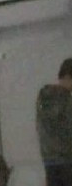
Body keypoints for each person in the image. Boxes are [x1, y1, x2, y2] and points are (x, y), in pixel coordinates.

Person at [36, 58, 72, 186]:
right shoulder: (66, 99)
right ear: (67, 77)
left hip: (49, 160)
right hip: (67, 160)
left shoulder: (44, 96)